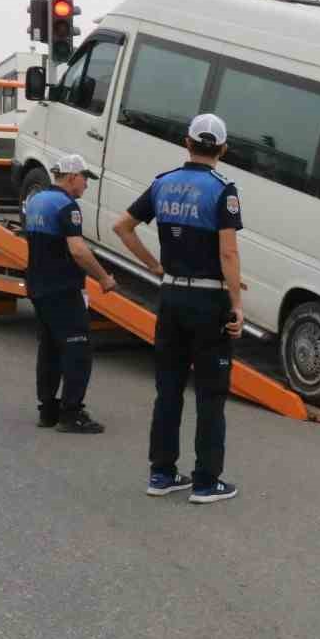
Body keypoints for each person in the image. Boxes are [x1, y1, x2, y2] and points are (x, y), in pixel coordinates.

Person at [113, 113, 245, 505]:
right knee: (210, 393)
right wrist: (236, 302)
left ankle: (162, 473)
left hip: (170, 298)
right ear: (222, 149)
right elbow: (227, 251)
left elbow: (122, 226)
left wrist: (154, 265)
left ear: (187, 143)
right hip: (209, 300)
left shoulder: (162, 183)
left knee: (167, 389)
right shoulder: (224, 190)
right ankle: (206, 481)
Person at [23, 154, 117, 433]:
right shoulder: (67, 206)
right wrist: (103, 278)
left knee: (49, 348)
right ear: (72, 177)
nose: (86, 185)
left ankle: (47, 410)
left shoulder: (36, 200)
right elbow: (77, 249)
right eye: (84, 178)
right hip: (62, 288)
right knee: (78, 348)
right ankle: (72, 414)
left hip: (38, 285)